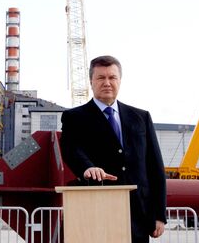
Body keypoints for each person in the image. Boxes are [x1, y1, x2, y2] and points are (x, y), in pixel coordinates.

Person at [60, 55, 167, 242]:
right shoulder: (74, 117)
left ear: (120, 80)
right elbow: (71, 149)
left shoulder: (141, 117)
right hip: (96, 209)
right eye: (101, 78)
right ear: (91, 81)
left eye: (112, 77)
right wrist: (87, 167)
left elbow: (155, 167)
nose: (107, 83)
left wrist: (159, 215)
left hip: (138, 213)